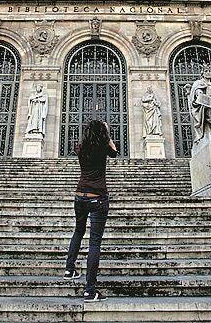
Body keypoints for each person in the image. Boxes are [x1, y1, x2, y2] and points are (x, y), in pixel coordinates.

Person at [64, 120, 118, 303]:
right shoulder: (103, 147)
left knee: (78, 231)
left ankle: (69, 270)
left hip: (80, 196)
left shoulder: (80, 147)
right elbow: (115, 152)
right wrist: (107, 134)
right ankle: (90, 291)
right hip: (98, 197)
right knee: (94, 243)